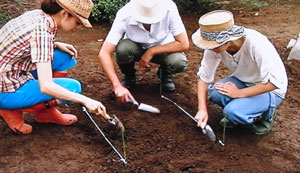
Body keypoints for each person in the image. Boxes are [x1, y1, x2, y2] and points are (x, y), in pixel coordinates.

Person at [0, 0, 107, 135]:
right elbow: (46, 86)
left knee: (64, 55)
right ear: (64, 14)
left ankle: (46, 113)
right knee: (73, 88)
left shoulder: (38, 15)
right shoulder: (42, 32)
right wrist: (85, 100)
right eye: (78, 22)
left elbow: (27, 41)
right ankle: (11, 109)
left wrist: (55, 44)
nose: (78, 27)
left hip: (9, 71)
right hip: (5, 89)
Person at [191, 10, 288, 135]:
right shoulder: (213, 48)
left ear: (228, 39)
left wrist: (239, 93)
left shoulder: (256, 44)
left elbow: (274, 83)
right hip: (242, 79)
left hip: (270, 90)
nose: (211, 49)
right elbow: (204, 78)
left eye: (214, 46)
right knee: (215, 93)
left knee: (232, 112)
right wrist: (202, 109)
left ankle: (263, 114)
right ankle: (243, 109)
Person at [98, 0, 189, 103]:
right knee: (123, 49)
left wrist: (152, 51)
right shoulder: (124, 14)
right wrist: (117, 85)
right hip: (136, 48)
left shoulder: (169, 7)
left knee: (179, 62)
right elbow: (104, 53)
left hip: (163, 48)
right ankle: (129, 76)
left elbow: (183, 43)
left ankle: (165, 75)